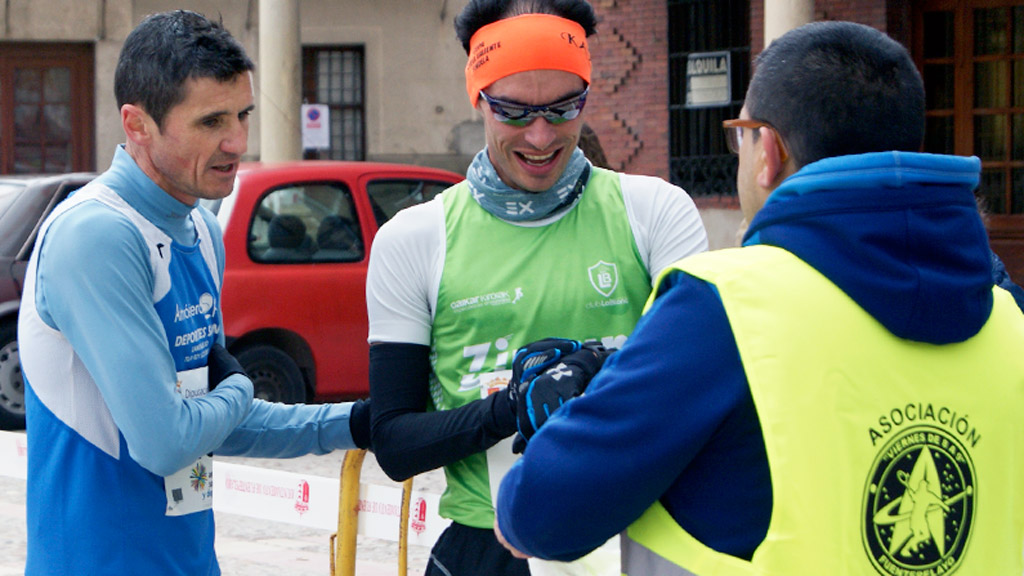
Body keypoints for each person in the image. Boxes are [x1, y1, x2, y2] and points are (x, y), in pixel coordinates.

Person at [494, 21, 1024, 574]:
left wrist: (579, 403)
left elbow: (538, 516)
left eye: (739, 134)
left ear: (767, 149)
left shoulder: (723, 310)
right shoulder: (1009, 319)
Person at [18, 10, 369, 575]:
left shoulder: (202, 229)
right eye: (210, 122)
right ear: (137, 125)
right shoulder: (97, 235)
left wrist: (356, 421)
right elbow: (168, 441)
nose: (237, 141)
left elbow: (208, 420)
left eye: (243, 114)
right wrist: (235, 385)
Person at [364, 0, 707, 574]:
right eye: (515, 112)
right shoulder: (416, 238)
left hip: (636, 536)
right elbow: (396, 444)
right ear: (478, 98)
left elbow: (697, 380)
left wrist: (593, 365)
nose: (543, 137)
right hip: (488, 545)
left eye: (564, 107)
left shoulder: (653, 212)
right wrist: (509, 410)